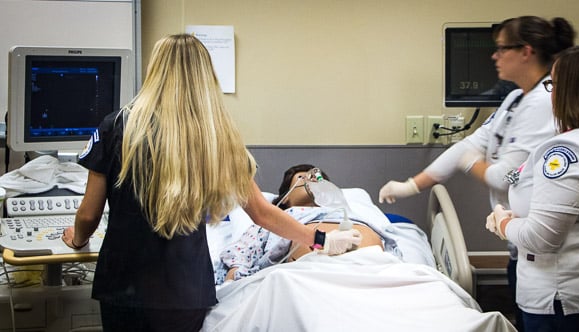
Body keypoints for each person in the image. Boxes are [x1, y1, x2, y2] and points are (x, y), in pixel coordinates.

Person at [60, 34, 361, 332]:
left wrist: (78, 239)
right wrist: (321, 240)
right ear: (206, 77)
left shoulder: (115, 126)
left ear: (155, 71)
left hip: (123, 287)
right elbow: (262, 213)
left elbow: (88, 214)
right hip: (185, 291)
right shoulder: (217, 138)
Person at [379, 16, 575, 329]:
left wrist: (472, 162)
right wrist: (410, 186)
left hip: (547, 256)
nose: (494, 56)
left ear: (526, 52)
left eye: (501, 49)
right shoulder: (515, 98)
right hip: (521, 249)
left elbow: (505, 177)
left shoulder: (544, 103)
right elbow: (468, 146)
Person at [486, 45, 579, 332]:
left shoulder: (567, 151)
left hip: (568, 302)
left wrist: (503, 224)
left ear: (571, 91)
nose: (550, 92)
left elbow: (541, 238)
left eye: (553, 84)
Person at [218, 164, 416, 283]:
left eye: (317, 178)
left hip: (376, 271)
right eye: (302, 177)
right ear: (285, 198)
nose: (312, 179)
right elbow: (239, 258)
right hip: (312, 275)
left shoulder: (349, 212)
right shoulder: (274, 219)